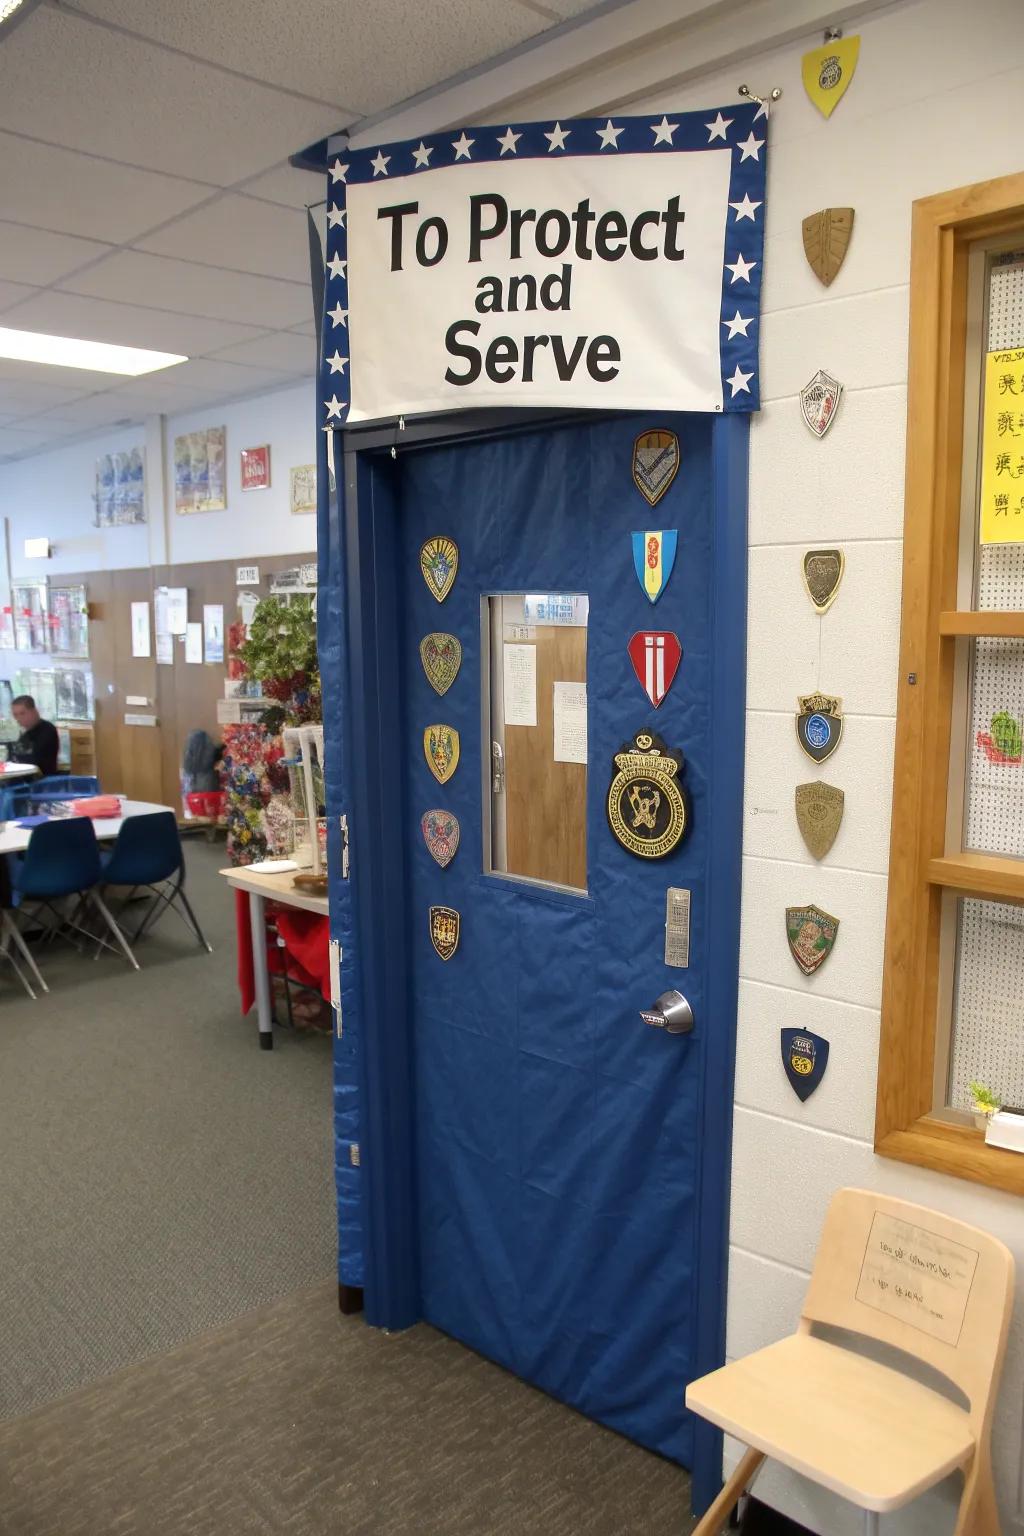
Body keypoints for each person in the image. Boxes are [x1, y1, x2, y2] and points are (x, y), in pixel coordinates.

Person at [8, 695, 60, 777]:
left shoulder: (47, 730)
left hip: (41, 782)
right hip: (20, 779)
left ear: (34, 711)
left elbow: (34, 760)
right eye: (15, 715)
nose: (18, 718)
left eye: (22, 713)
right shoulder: (23, 733)